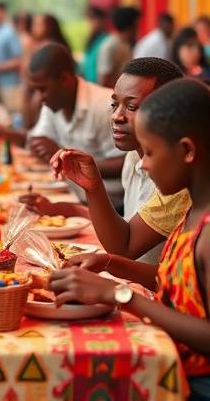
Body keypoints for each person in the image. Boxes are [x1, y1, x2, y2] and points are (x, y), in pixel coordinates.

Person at [50, 79, 210, 399]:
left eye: (149, 152)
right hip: (170, 362)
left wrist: (121, 294)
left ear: (187, 151)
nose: (144, 163)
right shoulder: (194, 209)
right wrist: (112, 264)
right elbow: (180, 283)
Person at [23, 57, 190, 263]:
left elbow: (125, 246)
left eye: (132, 107)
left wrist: (94, 189)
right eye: (114, 104)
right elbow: (128, 226)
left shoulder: (178, 179)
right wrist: (69, 207)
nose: (116, 116)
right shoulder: (132, 157)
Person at [28, 43, 124, 178]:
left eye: (43, 89)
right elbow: (39, 139)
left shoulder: (106, 106)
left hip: (109, 197)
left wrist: (64, 158)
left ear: (64, 79)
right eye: (36, 90)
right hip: (74, 192)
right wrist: (37, 145)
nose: (38, 97)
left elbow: (124, 163)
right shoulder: (52, 103)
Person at [21, 14, 71, 129]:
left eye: (38, 24)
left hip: (38, 94)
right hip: (32, 89)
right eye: (34, 23)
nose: (34, 27)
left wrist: (37, 95)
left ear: (49, 26)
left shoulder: (49, 46)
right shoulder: (33, 43)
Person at [0, 1, 23, 114]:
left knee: (10, 115)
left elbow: (18, 61)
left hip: (9, 85)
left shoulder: (9, 32)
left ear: (3, 13)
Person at [98, 6, 141, 88]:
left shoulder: (126, 44)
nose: (138, 28)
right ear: (130, 26)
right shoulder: (110, 46)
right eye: (137, 25)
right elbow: (104, 80)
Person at [81, 6, 108, 83]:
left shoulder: (107, 40)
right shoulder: (91, 40)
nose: (91, 22)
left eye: (93, 18)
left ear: (103, 20)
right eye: (89, 19)